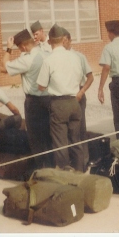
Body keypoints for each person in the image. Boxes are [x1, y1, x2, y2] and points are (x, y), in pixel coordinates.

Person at [2, 28, 54, 169]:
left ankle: (42, 168)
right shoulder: (47, 54)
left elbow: (5, 65)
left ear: (23, 46)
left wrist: (8, 49)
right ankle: (52, 165)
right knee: (49, 133)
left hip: (34, 101)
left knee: (36, 137)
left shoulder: (26, 60)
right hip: (50, 99)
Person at [37, 24, 85, 172]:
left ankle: (65, 171)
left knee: (60, 141)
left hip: (59, 103)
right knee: (75, 139)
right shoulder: (75, 57)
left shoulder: (49, 60)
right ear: (63, 40)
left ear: (50, 42)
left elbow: (41, 86)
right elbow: (81, 79)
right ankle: (80, 170)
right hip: (74, 101)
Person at [63, 28, 94, 167]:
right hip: (63, 96)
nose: (63, 43)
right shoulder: (56, 57)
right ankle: (70, 161)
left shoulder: (79, 56)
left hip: (77, 95)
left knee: (80, 130)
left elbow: (90, 77)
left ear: (69, 40)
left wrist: (81, 92)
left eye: (65, 40)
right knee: (66, 131)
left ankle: (84, 161)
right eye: (60, 41)